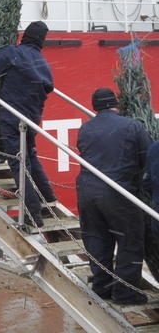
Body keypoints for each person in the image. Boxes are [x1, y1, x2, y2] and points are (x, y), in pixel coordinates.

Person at [0, 21, 56, 229]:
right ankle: (48, 197)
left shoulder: (13, 53)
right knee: (30, 154)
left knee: (19, 161)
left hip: (12, 116)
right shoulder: (42, 63)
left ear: (25, 35)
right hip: (32, 118)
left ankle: (32, 212)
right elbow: (48, 87)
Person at [77, 87, 152, 304]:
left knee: (97, 239)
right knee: (130, 240)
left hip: (86, 191)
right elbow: (146, 157)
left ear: (95, 107)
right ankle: (125, 292)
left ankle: (102, 286)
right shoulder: (132, 125)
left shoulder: (86, 128)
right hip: (117, 190)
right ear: (115, 104)